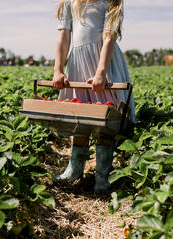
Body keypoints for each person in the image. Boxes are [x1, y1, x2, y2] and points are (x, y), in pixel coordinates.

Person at [52, 0, 135, 193]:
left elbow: (109, 37)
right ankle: (75, 168)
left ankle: (102, 176)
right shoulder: (70, 2)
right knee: (80, 115)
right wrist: (58, 70)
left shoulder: (111, 1)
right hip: (78, 63)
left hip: (103, 62)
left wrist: (101, 72)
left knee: (105, 117)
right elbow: (64, 37)